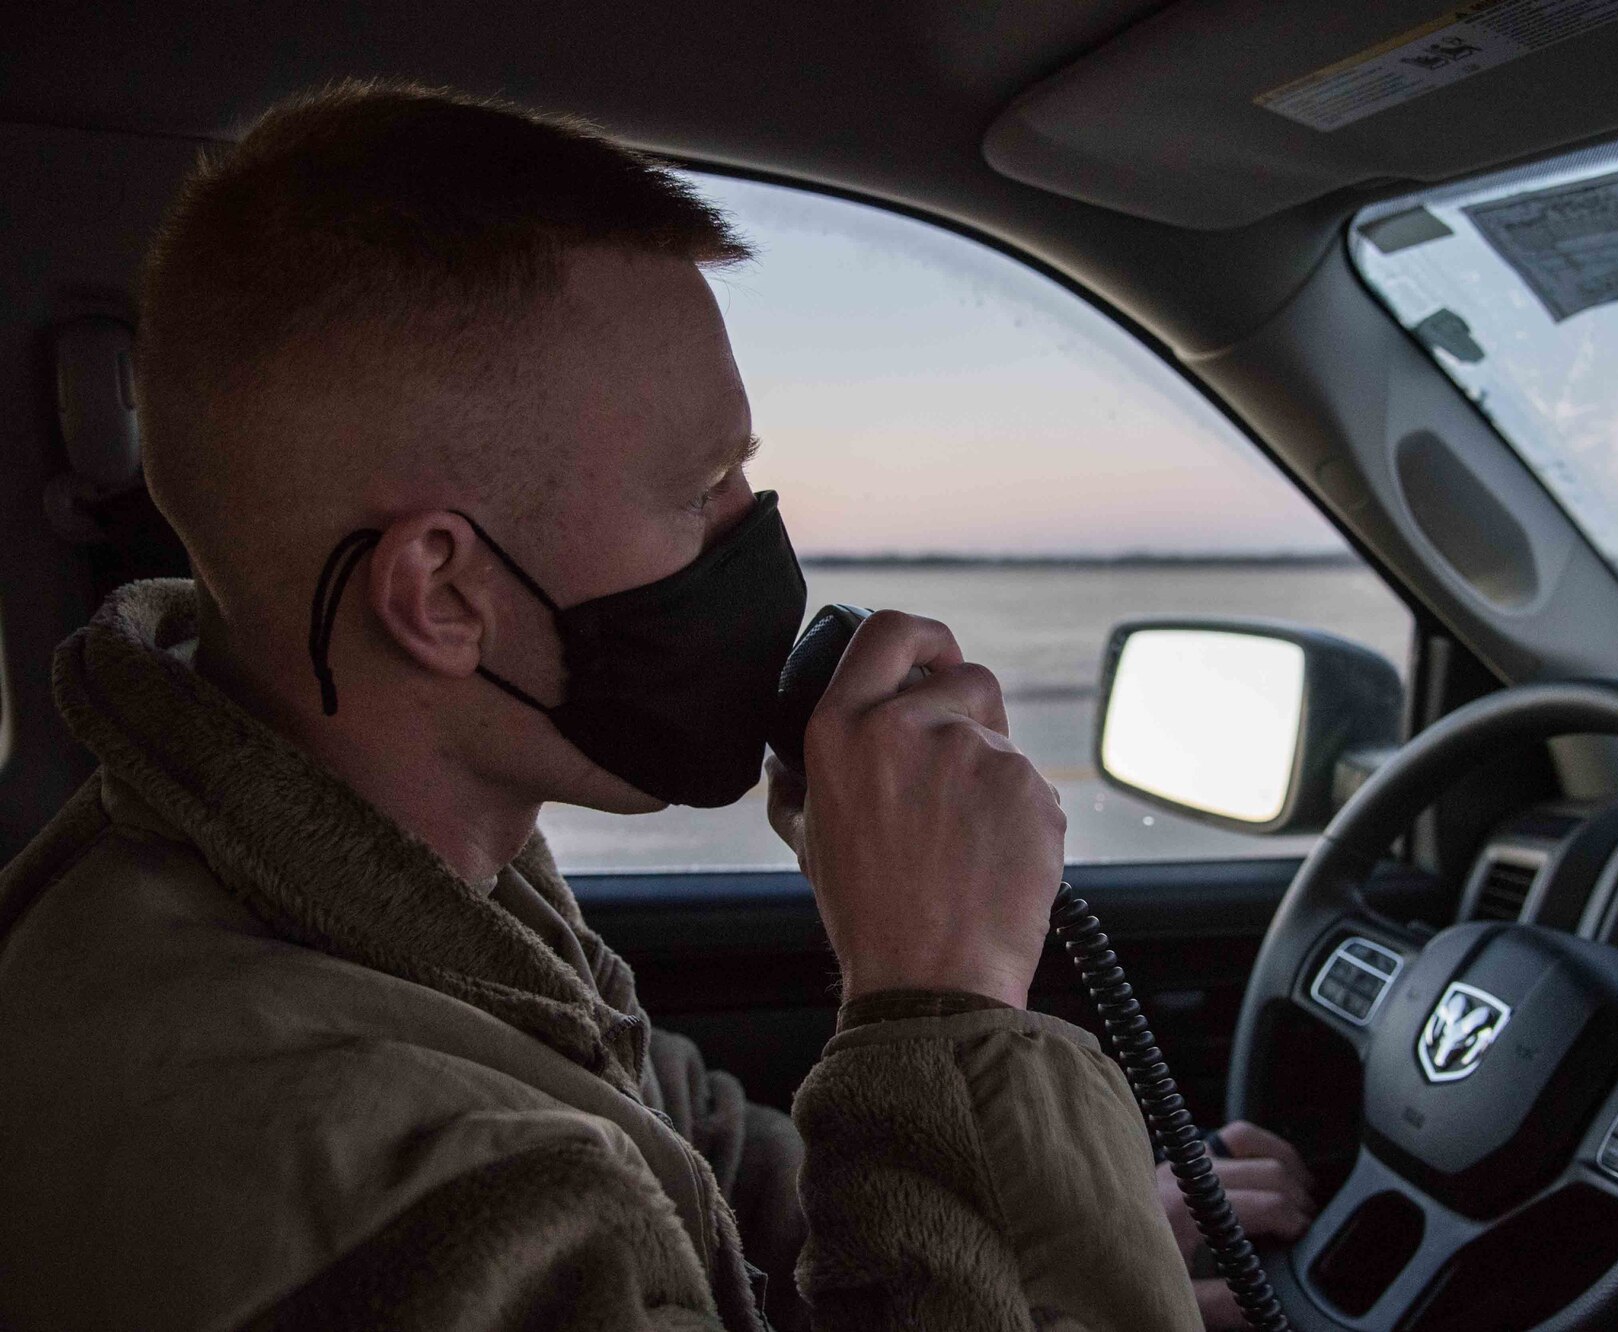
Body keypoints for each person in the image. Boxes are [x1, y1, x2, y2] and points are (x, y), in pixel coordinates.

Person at [0, 81, 1312, 1330]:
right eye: (704, 494)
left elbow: (679, 1156)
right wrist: (939, 1001)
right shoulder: (401, 1190)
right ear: (443, 598)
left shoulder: (380, 872)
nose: (760, 545)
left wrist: (1062, 1217)